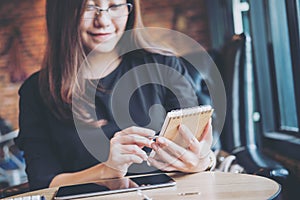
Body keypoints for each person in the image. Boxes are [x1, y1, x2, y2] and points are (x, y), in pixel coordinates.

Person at [15, 0, 215, 191]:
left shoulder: (165, 68)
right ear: (63, 14)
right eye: (89, 7)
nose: (103, 20)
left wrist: (203, 161)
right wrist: (107, 171)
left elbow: (199, 154)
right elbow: (43, 182)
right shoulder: (36, 90)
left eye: (114, 6)